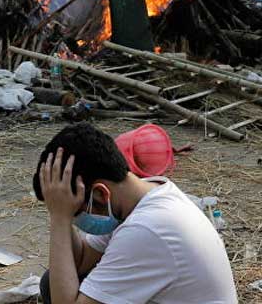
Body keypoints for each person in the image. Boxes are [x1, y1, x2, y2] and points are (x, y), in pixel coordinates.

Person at [32, 123, 237, 304]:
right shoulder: (145, 194)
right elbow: (82, 261)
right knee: (52, 283)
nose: (76, 220)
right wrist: (61, 212)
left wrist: (60, 218)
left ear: (101, 194)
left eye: (77, 213)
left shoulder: (147, 229)